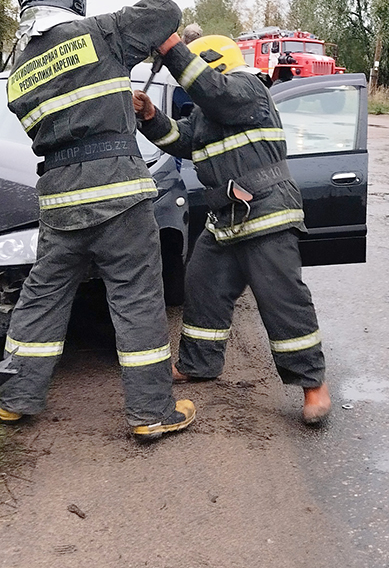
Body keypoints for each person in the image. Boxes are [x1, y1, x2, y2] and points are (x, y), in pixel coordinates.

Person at [0, 0, 195, 441]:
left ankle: (14, 398)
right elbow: (165, 11)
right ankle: (151, 412)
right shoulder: (99, 34)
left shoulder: (17, 73)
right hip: (119, 197)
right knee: (136, 298)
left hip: (59, 201)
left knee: (42, 296)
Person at [132, 34, 332, 425]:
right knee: (202, 285)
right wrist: (150, 117)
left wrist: (172, 49)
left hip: (267, 213)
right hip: (226, 219)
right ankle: (199, 364)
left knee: (282, 301)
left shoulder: (247, 89)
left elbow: (213, 91)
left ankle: (313, 384)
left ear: (215, 66)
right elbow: (181, 140)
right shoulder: (209, 115)